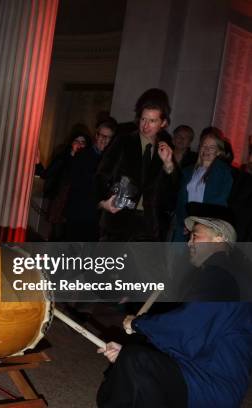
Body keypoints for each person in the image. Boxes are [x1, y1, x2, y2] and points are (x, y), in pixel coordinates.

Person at [96, 215, 252, 408]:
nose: (189, 243)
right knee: (133, 362)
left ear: (219, 239)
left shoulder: (220, 276)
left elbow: (187, 331)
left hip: (209, 384)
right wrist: (128, 351)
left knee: (136, 362)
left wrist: (138, 323)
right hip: (206, 376)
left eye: (195, 236)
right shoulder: (226, 275)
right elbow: (191, 339)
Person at [96, 89, 180, 242]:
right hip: (118, 220)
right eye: (143, 119)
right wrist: (103, 202)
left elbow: (172, 193)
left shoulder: (166, 146)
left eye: (152, 121)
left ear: (163, 123)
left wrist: (168, 165)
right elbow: (101, 174)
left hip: (150, 227)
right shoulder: (124, 140)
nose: (146, 126)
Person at [63, 117, 117, 242]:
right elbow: (76, 183)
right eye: (101, 135)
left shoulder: (113, 160)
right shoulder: (82, 155)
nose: (103, 140)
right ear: (96, 135)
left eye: (107, 137)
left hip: (98, 218)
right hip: (79, 214)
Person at [173, 128, 232, 242]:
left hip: (205, 229)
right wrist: (185, 221)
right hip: (185, 226)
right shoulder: (188, 171)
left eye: (212, 147)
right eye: (204, 146)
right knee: (175, 258)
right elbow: (181, 201)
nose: (207, 150)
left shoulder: (222, 172)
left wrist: (197, 224)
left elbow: (218, 202)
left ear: (219, 151)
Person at [40, 126, 92, 241]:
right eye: (76, 141)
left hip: (77, 202)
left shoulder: (89, 161)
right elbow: (48, 173)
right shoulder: (63, 156)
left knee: (69, 234)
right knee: (56, 232)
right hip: (61, 198)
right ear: (71, 143)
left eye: (83, 142)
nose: (79, 145)